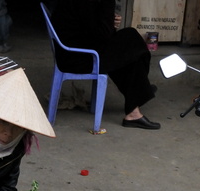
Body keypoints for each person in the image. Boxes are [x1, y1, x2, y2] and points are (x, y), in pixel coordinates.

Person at [51, 0, 160, 130]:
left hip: (72, 51)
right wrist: (109, 23)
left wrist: (108, 21)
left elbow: (90, 24)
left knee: (129, 43)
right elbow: (103, 35)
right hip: (79, 57)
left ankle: (139, 93)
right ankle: (138, 98)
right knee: (132, 44)